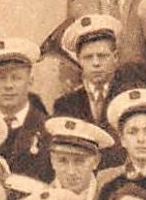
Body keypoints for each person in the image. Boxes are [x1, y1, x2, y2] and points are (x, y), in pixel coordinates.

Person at [52, 15, 135, 154]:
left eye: (102, 56)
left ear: (115, 57)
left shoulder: (130, 97)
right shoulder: (65, 104)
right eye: (88, 57)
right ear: (78, 60)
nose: (96, 63)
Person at [0, 38, 49, 180]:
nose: (8, 85)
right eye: (1, 78)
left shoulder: (47, 129)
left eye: (16, 78)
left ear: (30, 81)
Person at [44, 117, 113, 200]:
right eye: (62, 161)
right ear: (52, 161)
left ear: (96, 161)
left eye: (79, 161)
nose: (71, 171)